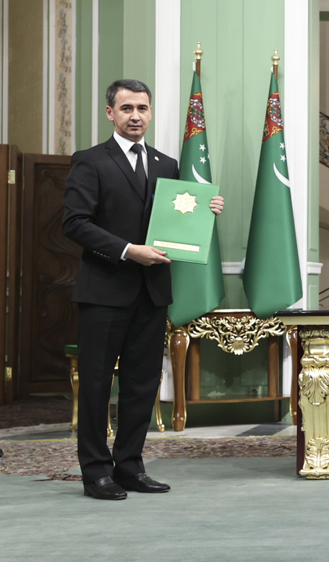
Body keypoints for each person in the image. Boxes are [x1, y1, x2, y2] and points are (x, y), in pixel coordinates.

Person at [63, 79, 224, 500]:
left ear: (150, 113)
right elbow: (75, 223)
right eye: (127, 108)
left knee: (142, 384)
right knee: (98, 386)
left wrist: (204, 210)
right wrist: (128, 250)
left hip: (152, 294)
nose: (136, 116)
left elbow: (174, 217)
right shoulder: (90, 161)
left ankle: (130, 466)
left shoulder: (166, 164)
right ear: (110, 113)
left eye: (143, 108)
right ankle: (96, 473)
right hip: (103, 293)